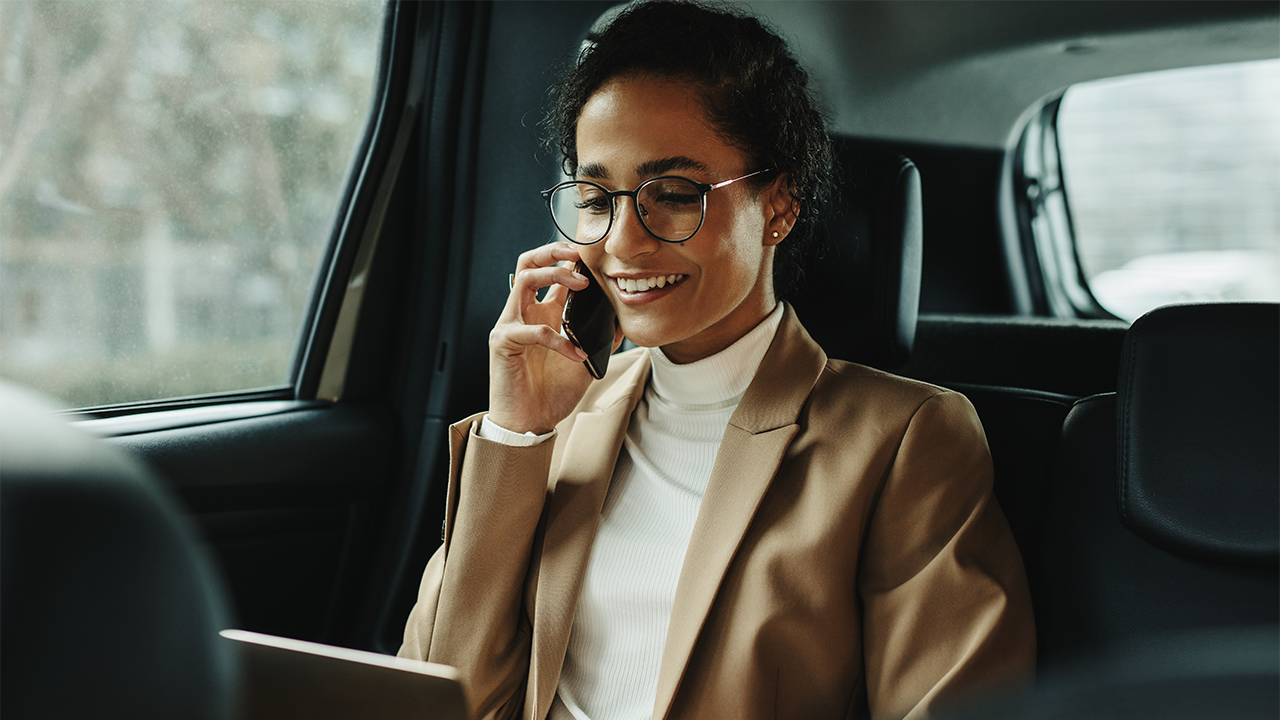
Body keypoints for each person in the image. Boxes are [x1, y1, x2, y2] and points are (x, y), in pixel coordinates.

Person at [398, 3, 1035, 719]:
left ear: (780, 205)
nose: (623, 242)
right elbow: (441, 703)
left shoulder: (905, 440)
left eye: (672, 195)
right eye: (595, 197)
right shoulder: (559, 421)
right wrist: (517, 435)